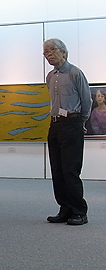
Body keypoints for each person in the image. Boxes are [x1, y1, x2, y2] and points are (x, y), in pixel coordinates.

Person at [43, 38, 91, 226]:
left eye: (52, 50)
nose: (48, 55)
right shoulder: (50, 76)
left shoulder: (75, 73)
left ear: (63, 52)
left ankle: (79, 211)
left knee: (70, 170)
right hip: (55, 124)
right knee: (57, 169)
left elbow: (86, 100)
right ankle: (65, 209)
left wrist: (80, 121)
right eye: (45, 52)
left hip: (72, 123)